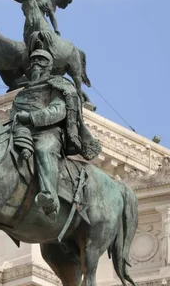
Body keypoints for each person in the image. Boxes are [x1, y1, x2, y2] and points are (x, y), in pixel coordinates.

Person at [10, 48, 101, 219]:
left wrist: (31, 117)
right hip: (22, 130)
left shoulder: (57, 84)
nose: (36, 64)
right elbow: (13, 114)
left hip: (50, 132)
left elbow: (58, 110)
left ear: (49, 66)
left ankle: (49, 195)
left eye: (41, 61)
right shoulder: (22, 92)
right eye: (34, 61)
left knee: (44, 150)